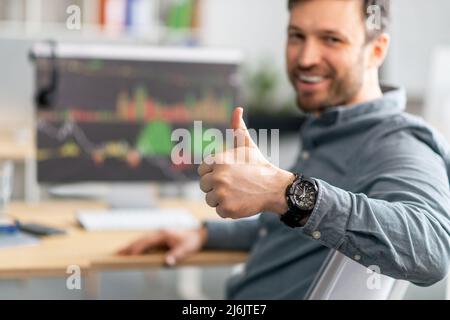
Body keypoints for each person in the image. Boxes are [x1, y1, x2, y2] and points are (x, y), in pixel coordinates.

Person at [118, 0, 450, 299]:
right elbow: (294, 232)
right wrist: (206, 234)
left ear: (377, 50)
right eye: (297, 36)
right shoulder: (331, 129)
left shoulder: (399, 142)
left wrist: (283, 191)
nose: (306, 58)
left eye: (331, 39)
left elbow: (432, 251)